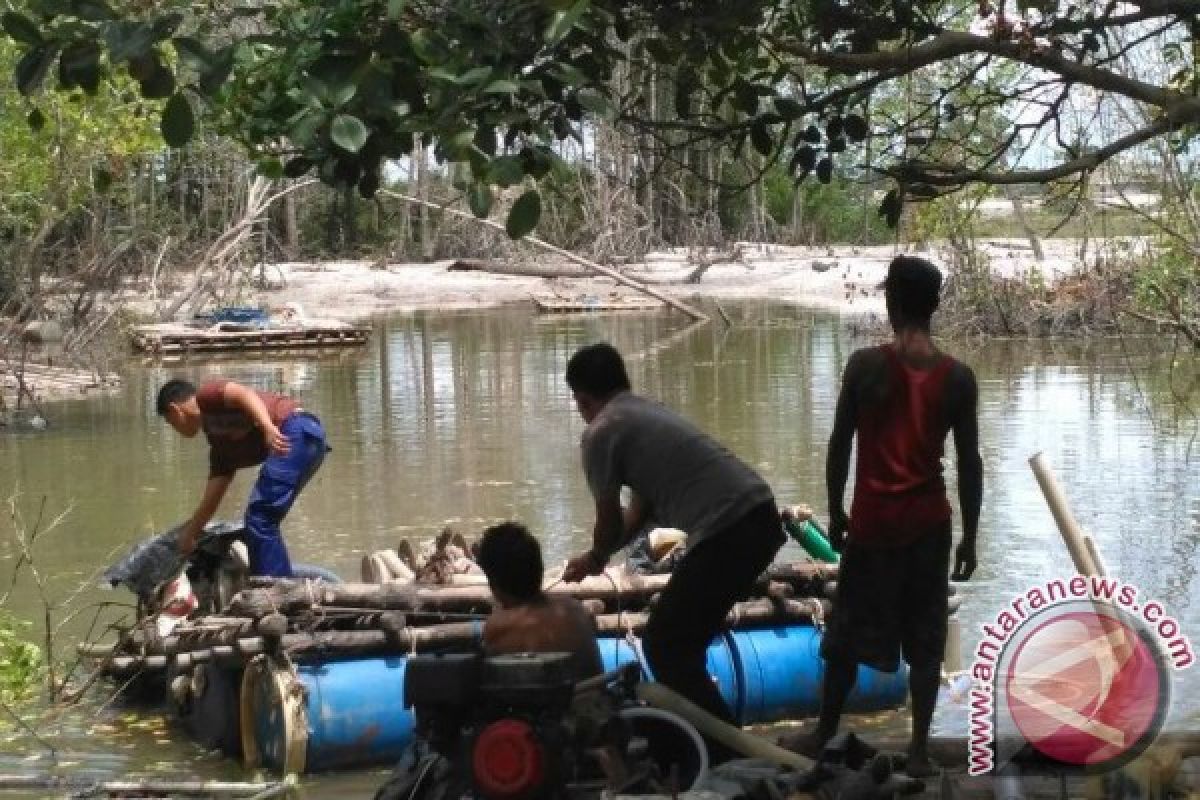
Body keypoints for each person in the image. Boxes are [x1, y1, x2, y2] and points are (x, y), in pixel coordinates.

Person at [797, 255, 984, 777]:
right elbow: (970, 464)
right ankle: (920, 751)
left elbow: (840, 447)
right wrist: (970, 537)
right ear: (934, 306)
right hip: (929, 527)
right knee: (925, 643)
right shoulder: (958, 378)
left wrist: (834, 510)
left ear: (892, 301)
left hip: (874, 525)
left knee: (845, 638)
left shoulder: (864, 366)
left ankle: (824, 730)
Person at [562, 343, 785, 732]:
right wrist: (596, 559)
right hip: (758, 516)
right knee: (681, 643)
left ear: (581, 398)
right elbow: (640, 514)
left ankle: (724, 753)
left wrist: (596, 555)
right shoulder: (645, 412)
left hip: (728, 529)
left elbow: (610, 520)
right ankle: (712, 743)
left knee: (666, 644)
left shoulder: (601, 432)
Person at [156, 378, 329, 577]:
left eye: (170, 422)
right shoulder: (221, 449)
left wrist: (267, 427)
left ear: (175, 410)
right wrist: (190, 535)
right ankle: (276, 582)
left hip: (296, 431)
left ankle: (274, 589)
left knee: (259, 518)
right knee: (261, 520)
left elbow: (243, 394)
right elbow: (210, 501)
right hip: (307, 442)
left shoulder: (206, 397)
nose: (174, 429)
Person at [476, 522, 604, 681]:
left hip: (559, 704)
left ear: (494, 583)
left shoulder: (498, 626)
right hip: (598, 700)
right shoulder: (576, 608)